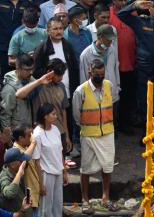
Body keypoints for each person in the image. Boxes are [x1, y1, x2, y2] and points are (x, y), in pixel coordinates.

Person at [72, 60, 117, 212]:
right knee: (86, 168)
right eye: (97, 75)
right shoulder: (80, 91)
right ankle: (85, 200)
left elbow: (113, 104)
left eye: (102, 74)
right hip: (89, 135)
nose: (100, 77)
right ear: (90, 73)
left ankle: (106, 197)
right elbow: (77, 116)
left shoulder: (109, 86)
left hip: (107, 133)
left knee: (108, 166)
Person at [31, 103, 65, 217]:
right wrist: (40, 184)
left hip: (58, 171)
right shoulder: (37, 134)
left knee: (58, 204)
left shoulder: (55, 129)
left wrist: (64, 170)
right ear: (45, 116)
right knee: (46, 208)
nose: (56, 116)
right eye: (53, 114)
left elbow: (60, 151)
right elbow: (36, 161)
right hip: (46, 174)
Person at [0, 57, 35, 132]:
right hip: (16, 134)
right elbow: (5, 115)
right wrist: (9, 139)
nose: (31, 72)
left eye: (32, 69)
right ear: (18, 68)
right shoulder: (10, 89)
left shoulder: (32, 82)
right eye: (27, 70)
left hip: (29, 131)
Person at [0, 148, 34, 217]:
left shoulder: (15, 172)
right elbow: (9, 193)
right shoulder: (4, 177)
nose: (24, 163)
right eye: (21, 161)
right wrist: (19, 173)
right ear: (12, 165)